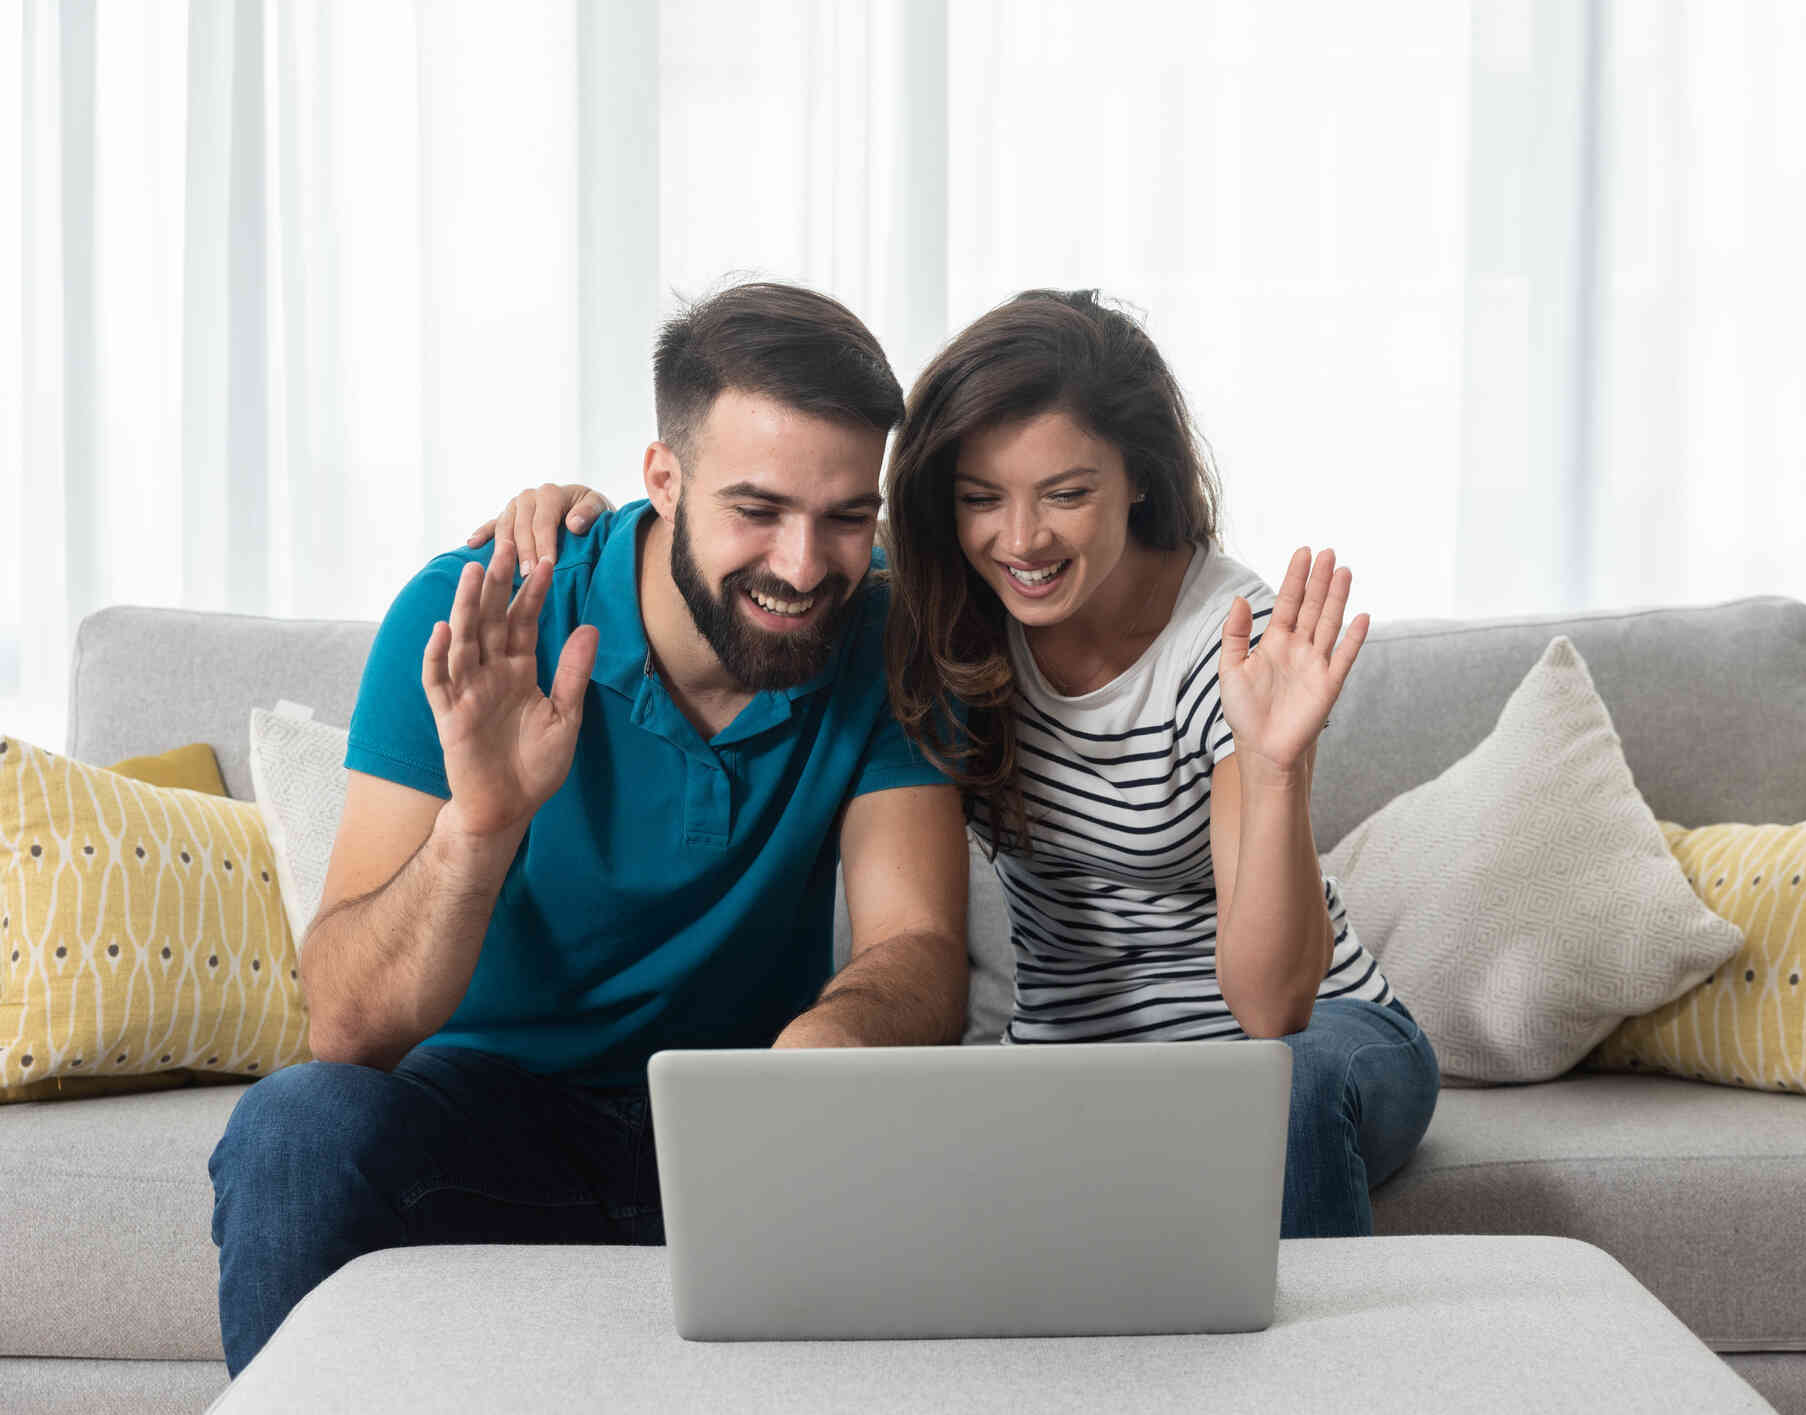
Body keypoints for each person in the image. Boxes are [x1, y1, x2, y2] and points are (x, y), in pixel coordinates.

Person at [501, 289, 1439, 1240]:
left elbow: (1271, 1005)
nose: (1022, 539)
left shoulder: (1232, 648)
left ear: (1139, 478)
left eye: (1066, 494)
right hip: (1073, 1067)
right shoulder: (948, 612)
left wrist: (1275, 769)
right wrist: (572, 513)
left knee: (1290, 1091)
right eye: (982, 498)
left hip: (1305, 1046)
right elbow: (762, 526)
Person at [207, 283, 970, 1377]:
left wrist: (823, 1049)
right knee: (296, 1125)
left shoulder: (886, 634)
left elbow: (920, 948)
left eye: (848, 516)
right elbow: (347, 1023)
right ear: (663, 479)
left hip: (745, 1130)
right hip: (485, 1126)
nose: (806, 567)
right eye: (757, 509)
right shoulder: (477, 610)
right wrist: (482, 824)